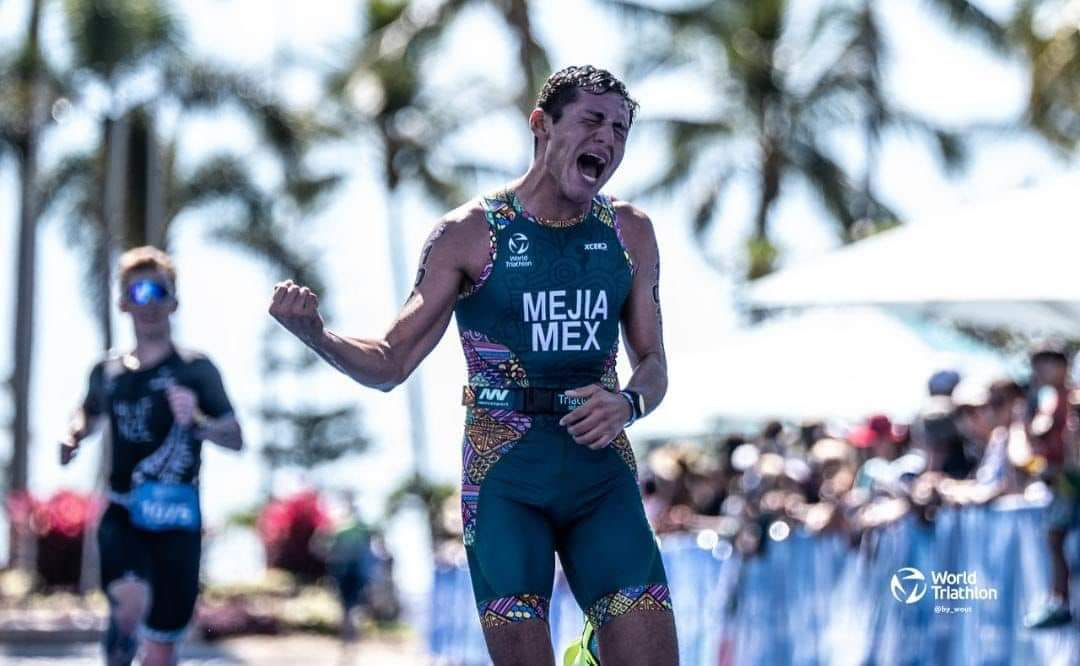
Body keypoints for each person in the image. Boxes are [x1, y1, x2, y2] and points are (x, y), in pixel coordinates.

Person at [270, 65, 677, 664]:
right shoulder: (469, 234)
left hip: (600, 473)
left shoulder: (629, 232)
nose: (608, 140)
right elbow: (389, 362)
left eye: (620, 129)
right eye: (592, 121)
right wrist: (318, 335)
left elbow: (654, 364)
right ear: (541, 125)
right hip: (506, 479)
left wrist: (628, 402)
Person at [60, 246, 243, 666]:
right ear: (123, 302)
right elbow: (86, 413)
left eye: (158, 291)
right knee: (128, 607)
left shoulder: (196, 370)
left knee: (161, 649)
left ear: (174, 302)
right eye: (136, 291)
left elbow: (235, 437)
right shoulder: (107, 372)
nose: (148, 302)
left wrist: (197, 420)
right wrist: (72, 435)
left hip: (179, 520)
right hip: (124, 513)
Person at [1023, 341, 1079, 629]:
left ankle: (1061, 601)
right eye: (1038, 364)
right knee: (1055, 538)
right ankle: (1059, 600)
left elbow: (1044, 433)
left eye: (1049, 363)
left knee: (1057, 537)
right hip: (1062, 482)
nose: (1042, 370)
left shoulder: (1069, 398)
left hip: (1071, 481)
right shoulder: (1048, 398)